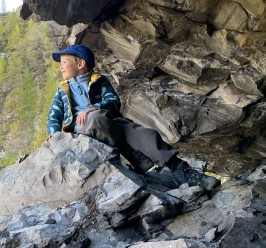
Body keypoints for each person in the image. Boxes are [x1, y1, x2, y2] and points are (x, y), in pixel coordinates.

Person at [46, 44, 220, 191]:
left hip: (110, 123)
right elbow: (54, 116)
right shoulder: (62, 90)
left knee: (146, 134)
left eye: (64, 63)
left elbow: (113, 102)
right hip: (82, 129)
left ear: (81, 63)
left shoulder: (99, 81)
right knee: (95, 119)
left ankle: (184, 171)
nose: (60, 67)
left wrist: (96, 107)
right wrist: (55, 135)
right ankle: (128, 150)